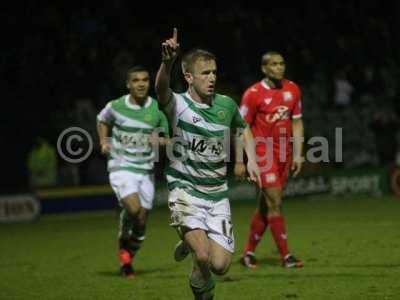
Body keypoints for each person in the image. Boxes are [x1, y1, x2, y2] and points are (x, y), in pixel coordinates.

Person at [155, 28, 260, 299]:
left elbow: (242, 129)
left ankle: (188, 240)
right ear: (188, 76)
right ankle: (203, 286)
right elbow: (161, 88)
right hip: (185, 191)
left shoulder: (226, 104)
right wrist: (167, 63)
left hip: (217, 195)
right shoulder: (177, 104)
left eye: (214, 72)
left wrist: (249, 161)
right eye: (205, 73)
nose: (212, 78)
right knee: (202, 257)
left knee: (221, 265)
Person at [97, 65, 169, 278]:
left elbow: (167, 137)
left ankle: (127, 260)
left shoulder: (157, 109)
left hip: (145, 170)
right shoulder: (116, 106)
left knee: (141, 221)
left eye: (145, 80)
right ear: (128, 84)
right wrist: (103, 141)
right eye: (136, 80)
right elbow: (102, 119)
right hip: (121, 166)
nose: (141, 84)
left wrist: (161, 140)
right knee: (134, 209)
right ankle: (124, 228)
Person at [239, 51, 305, 268]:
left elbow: (297, 122)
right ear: (264, 68)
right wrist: (242, 160)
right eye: (274, 64)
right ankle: (286, 256)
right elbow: (242, 126)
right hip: (262, 153)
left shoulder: (292, 89)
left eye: (282, 63)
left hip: (284, 154)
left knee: (266, 206)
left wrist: (297, 153)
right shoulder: (253, 93)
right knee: (275, 202)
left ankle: (248, 253)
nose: (279, 67)